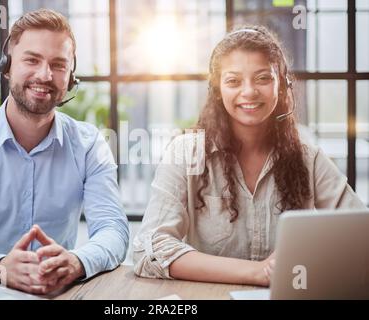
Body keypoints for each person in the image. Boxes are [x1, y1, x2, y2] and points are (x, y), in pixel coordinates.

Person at [133, 25, 366, 287]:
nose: (249, 92)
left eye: (263, 78)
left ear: (281, 84)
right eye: (233, 81)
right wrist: (259, 272)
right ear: (218, 89)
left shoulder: (307, 158)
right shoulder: (186, 153)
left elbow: (360, 234)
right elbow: (148, 251)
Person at [0, 9, 128, 295]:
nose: (44, 74)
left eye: (59, 64)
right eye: (32, 60)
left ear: (71, 76)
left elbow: (114, 230)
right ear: (7, 65)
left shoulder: (89, 145)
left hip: (58, 291)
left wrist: (77, 261)